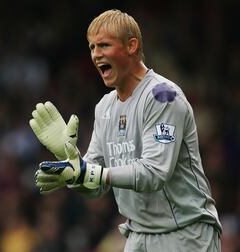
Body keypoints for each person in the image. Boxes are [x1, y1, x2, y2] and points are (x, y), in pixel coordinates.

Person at [29, 9, 222, 252]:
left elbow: (154, 173)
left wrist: (92, 173)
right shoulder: (105, 107)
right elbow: (95, 186)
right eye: (91, 47)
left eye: (104, 45)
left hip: (185, 233)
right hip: (137, 236)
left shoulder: (163, 96)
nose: (96, 55)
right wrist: (71, 163)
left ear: (131, 46)